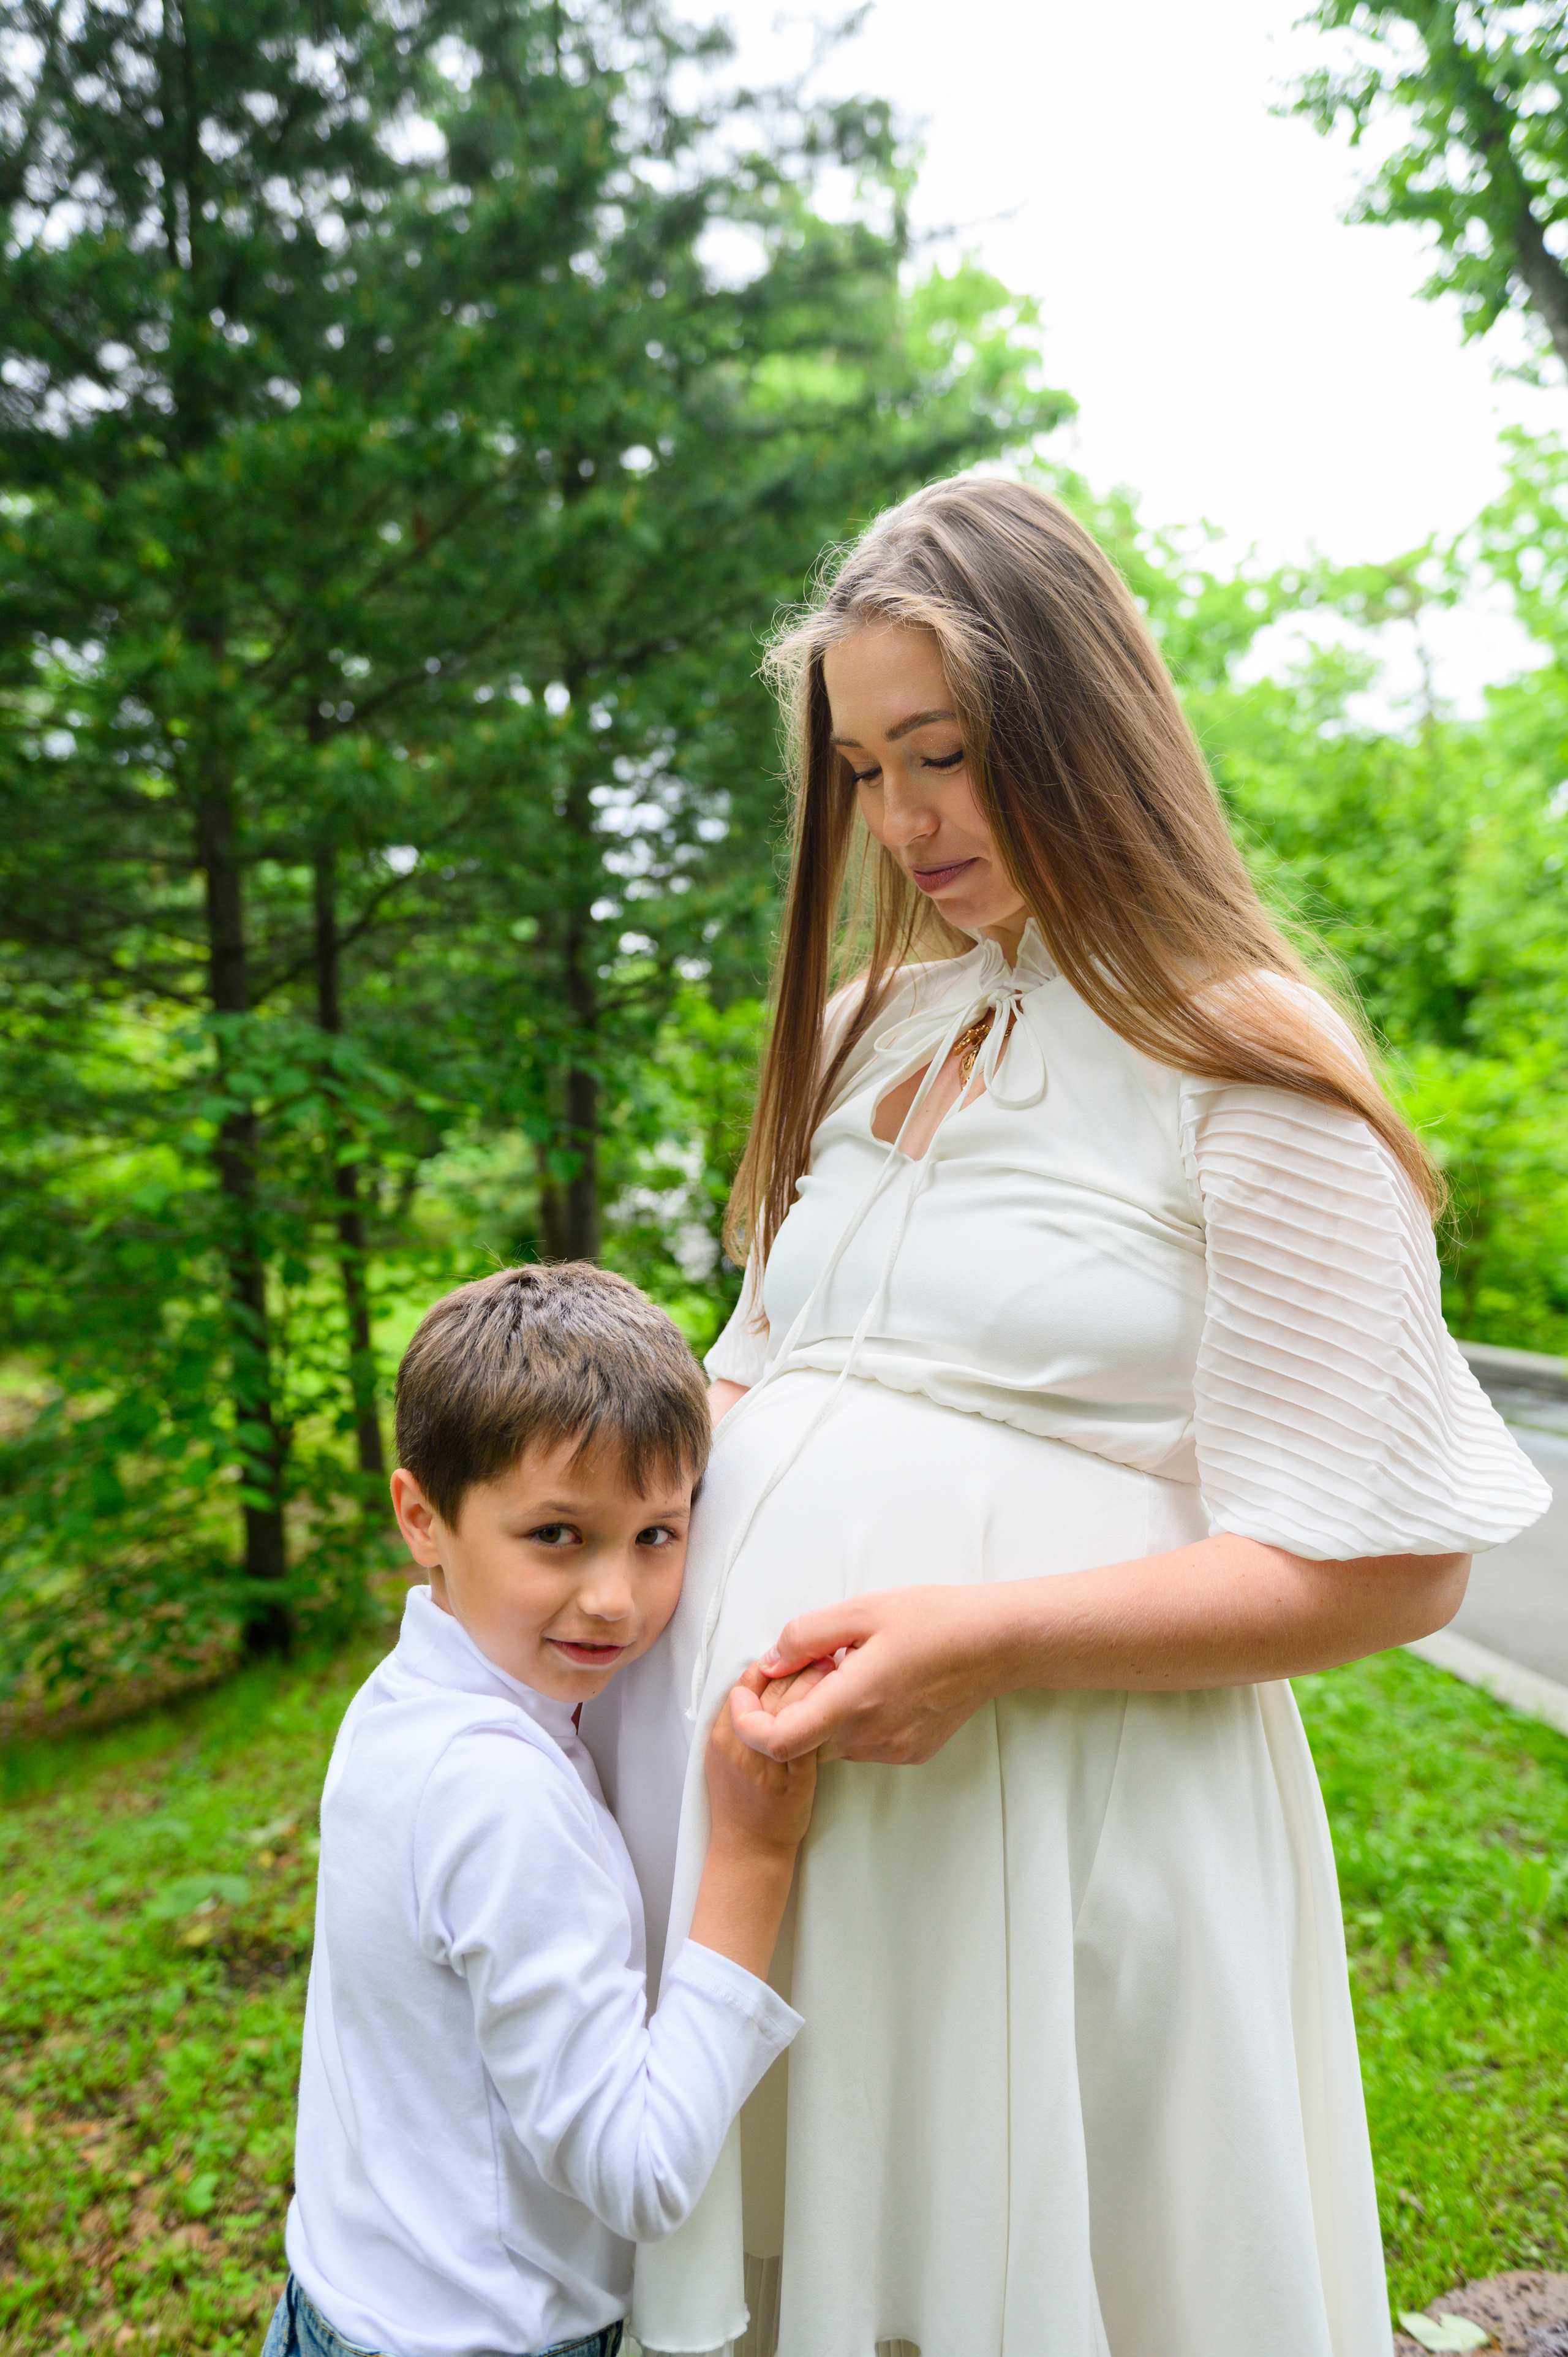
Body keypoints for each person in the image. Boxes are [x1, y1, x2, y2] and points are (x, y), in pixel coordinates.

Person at [581, 478, 1553, 2357]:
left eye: (941, 754)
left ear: (1080, 726)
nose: (904, 821)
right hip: (773, 1837)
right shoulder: (870, 1019)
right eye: (866, 770)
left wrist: (990, 1634)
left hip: (1055, 1830)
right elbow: (754, 1369)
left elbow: (1395, 1569)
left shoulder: (1243, 1055)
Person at [264, 1263, 821, 2357]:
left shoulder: (402, 1700)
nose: (615, 1599)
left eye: (657, 1535)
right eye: (557, 1535)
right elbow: (644, 2172)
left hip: (343, 2295)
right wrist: (751, 1857)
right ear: (422, 1517)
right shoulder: (497, 1792)